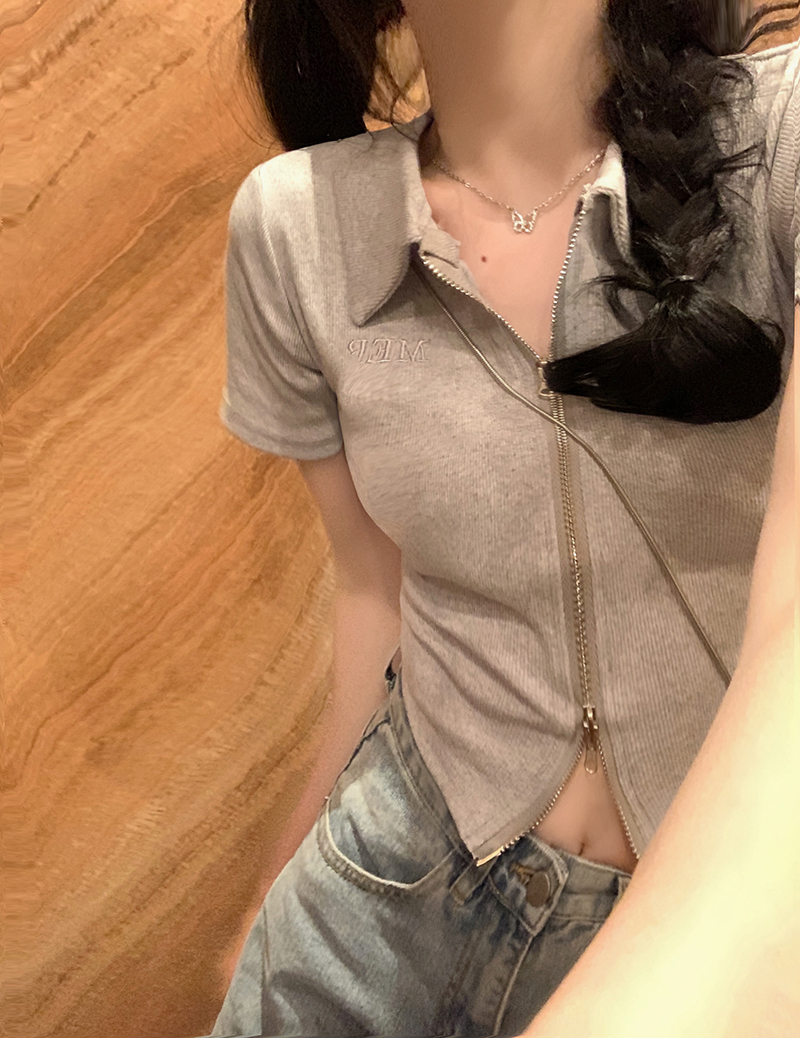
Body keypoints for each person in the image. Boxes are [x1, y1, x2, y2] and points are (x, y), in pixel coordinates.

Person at [211, 1, 798, 1035]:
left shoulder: (779, 137)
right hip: (377, 901)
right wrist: (279, 875)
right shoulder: (292, 223)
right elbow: (371, 589)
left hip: (697, 930)